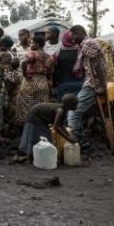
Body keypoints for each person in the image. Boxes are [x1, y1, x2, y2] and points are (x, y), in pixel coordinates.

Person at [68, 25, 107, 153]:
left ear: (79, 32)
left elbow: (98, 66)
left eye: (72, 35)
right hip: (90, 83)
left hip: (92, 85)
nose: (71, 38)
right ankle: (84, 144)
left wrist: (102, 85)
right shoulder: (88, 43)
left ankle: (83, 145)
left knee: (73, 114)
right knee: (76, 112)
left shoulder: (87, 44)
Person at [17, 94, 78, 161]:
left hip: (39, 118)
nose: (76, 106)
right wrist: (68, 139)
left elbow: (61, 124)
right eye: (75, 104)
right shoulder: (60, 111)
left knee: (44, 138)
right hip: (35, 118)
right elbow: (56, 127)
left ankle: (36, 157)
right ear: (69, 104)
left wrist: (70, 135)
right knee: (41, 138)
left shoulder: (63, 110)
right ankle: (33, 157)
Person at [18, 36, 54, 115]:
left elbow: (23, 63)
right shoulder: (49, 56)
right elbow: (51, 72)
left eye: (32, 43)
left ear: (37, 44)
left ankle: (27, 124)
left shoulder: (33, 53)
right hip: (43, 82)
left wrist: (25, 75)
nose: (30, 45)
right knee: (42, 106)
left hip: (30, 82)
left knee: (27, 106)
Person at [53, 30, 84, 101]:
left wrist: (54, 84)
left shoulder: (57, 52)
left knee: (65, 106)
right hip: (79, 84)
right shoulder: (80, 51)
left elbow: (56, 71)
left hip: (63, 85)